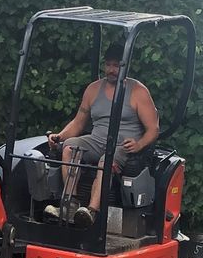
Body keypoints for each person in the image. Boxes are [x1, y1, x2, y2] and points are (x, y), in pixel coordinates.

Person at [45, 51, 160, 226]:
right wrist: (60, 136)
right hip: (97, 140)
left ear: (125, 65)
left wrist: (139, 144)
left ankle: (91, 211)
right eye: (108, 65)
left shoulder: (138, 92)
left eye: (116, 65)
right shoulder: (93, 90)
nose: (111, 70)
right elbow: (78, 123)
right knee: (69, 146)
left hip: (123, 145)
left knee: (106, 160)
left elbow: (153, 129)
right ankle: (71, 205)